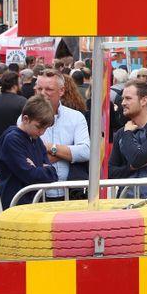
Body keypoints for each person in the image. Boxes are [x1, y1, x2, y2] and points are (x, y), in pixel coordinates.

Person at [28, 72, 90, 201]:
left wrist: (49, 147)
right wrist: (68, 154)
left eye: (49, 89)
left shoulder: (76, 117)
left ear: (61, 91)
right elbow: (28, 160)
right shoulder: (25, 119)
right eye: (39, 89)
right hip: (38, 194)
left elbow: (85, 151)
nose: (43, 93)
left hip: (71, 194)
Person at [0, 97, 57, 209]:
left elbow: (53, 174)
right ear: (25, 119)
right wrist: (42, 168)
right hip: (17, 205)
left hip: (33, 204)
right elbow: (30, 175)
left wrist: (37, 168)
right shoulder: (12, 140)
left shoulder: (36, 139)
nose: (42, 132)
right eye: (38, 127)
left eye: (45, 129)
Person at [108, 82, 147, 197]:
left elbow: (137, 158)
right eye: (123, 99)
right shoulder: (121, 133)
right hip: (125, 201)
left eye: (128, 98)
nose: (123, 103)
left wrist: (128, 133)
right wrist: (130, 168)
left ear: (143, 100)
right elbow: (111, 171)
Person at [0, 71, 26, 141]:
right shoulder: (22, 102)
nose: (21, 86)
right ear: (14, 86)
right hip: (18, 144)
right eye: (20, 83)